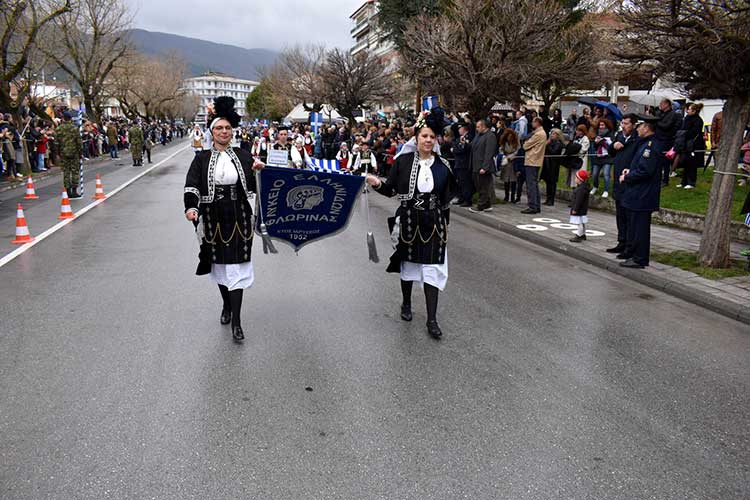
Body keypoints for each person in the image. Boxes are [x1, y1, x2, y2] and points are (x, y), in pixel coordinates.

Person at [365, 108, 456, 339]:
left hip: (433, 223)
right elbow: (390, 190)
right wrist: (376, 182)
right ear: (416, 138)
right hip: (408, 220)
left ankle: (432, 320)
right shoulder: (403, 161)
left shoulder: (443, 166)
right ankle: (406, 304)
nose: (427, 140)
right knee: (408, 266)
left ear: (435, 140)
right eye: (424, 136)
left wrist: (445, 228)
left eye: (431, 137)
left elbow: (446, 202)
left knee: (432, 270)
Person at [184, 96, 265, 342]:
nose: (223, 132)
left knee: (237, 266)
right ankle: (226, 306)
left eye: (227, 128)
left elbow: (255, 184)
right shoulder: (201, 159)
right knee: (219, 265)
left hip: (239, 214)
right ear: (212, 132)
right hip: (212, 216)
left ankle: (237, 323)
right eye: (219, 128)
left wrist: (260, 170)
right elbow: (192, 186)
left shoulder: (243, 155)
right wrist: (191, 208)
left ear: (232, 131)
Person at [619, 115, 663, 269]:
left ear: (647, 127)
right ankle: (633, 253)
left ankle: (640, 258)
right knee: (634, 226)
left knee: (640, 228)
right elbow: (640, 166)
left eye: (640, 126)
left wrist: (627, 177)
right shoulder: (644, 143)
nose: (637, 128)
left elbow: (645, 171)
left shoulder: (651, 146)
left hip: (643, 194)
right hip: (637, 193)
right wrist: (630, 170)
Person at [607, 113, 640, 255]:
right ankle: (621, 241)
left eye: (627, 123)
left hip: (629, 181)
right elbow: (610, 153)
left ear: (633, 124)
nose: (624, 126)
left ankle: (630, 244)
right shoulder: (619, 135)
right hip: (618, 180)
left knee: (629, 216)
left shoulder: (637, 139)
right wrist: (613, 146)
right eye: (623, 123)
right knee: (620, 214)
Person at [468, 119, 497, 213]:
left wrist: (485, 167)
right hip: (475, 164)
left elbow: (489, 152)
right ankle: (487, 205)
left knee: (483, 187)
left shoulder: (490, 136)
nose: (477, 129)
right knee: (479, 185)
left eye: (478, 127)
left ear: (484, 127)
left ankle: (480, 205)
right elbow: (472, 146)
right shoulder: (478, 135)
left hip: (483, 166)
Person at [675, 102, 705, 189]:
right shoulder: (687, 118)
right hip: (685, 143)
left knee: (692, 163)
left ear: (694, 111)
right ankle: (684, 181)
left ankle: (691, 182)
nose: (687, 111)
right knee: (685, 162)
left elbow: (694, 132)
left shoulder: (698, 120)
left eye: (689, 109)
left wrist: (685, 134)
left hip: (693, 144)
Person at [521, 117, 547, 214]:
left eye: (533, 122)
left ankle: (532, 206)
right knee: (534, 184)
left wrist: (525, 142)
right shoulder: (542, 133)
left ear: (537, 122)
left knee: (531, 185)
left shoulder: (538, 134)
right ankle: (536, 206)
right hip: (536, 161)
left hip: (532, 160)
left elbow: (525, 145)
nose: (532, 123)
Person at [56, 111, 84, 199]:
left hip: (63, 153)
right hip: (74, 152)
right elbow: (79, 142)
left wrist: (57, 153)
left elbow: (56, 143)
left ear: (63, 118)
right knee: (75, 171)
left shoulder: (59, 129)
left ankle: (67, 191)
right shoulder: (74, 128)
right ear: (70, 118)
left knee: (66, 172)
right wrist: (81, 153)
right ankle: (74, 191)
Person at [655, 98, 682, 186]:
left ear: (667, 104)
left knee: (665, 160)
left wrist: (657, 122)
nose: (660, 105)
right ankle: (658, 177)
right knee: (658, 159)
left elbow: (667, 126)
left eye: (662, 104)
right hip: (658, 138)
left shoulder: (672, 114)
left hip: (666, 139)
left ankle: (665, 179)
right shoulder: (660, 113)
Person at [590, 119, 614, 197]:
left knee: (606, 174)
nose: (601, 127)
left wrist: (602, 141)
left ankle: (606, 190)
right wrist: (596, 143)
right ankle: (595, 187)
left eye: (603, 125)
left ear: (607, 126)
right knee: (594, 174)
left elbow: (610, 147)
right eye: (600, 125)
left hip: (607, 157)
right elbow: (595, 147)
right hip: (598, 157)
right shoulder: (598, 134)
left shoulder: (611, 134)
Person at [451, 123, 473, 207]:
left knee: (465, 182)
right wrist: (456, 149)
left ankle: (467, 199)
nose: (459, 130)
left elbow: (462, 149)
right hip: (458, 163)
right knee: (460, 182)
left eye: (460, 128)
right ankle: (461, 198)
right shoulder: (458, 138)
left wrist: (456, 149)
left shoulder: (468, 138)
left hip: (464, 163)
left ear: (464, 129)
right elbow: (454, 147)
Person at [541, 128, 564, 206]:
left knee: (552, 183)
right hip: (547, 164)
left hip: (553, 165)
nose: (551, 135)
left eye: (553, 134)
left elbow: (554, 152)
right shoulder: (550, 142)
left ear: (558, 135)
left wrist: (547, 145)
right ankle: (548, 199)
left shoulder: (558, 143)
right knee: (548, 182)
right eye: (551, 133)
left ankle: (551, 200)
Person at [498, 128, 520, 203]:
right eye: (508, 137)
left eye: (511, 137)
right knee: (506, 180)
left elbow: (518, 151)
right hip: (506, 162)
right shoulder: (504, 143)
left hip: (513, 162)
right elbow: (500, 150)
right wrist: (504, 156)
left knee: (513, 181)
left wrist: (512, 156)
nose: (509, 138)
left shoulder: (516, 143)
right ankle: (506, 196)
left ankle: (513, 197)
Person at [569, 169, 590, 243]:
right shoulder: (583, 188)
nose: (575, 179)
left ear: (579, 179)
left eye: (576, 178)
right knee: (582, 222)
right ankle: (583, 234)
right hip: (582, 209)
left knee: (579, 223)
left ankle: (579, 235)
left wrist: (575, 209)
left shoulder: (581, 189)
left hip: (579, 209)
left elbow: (578, 200)